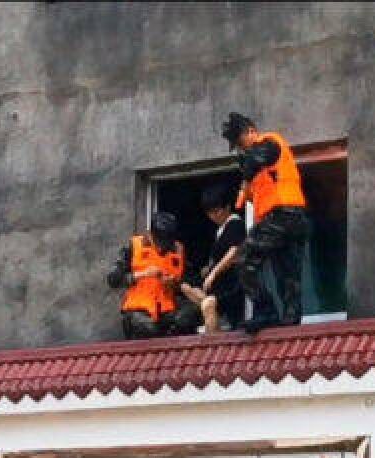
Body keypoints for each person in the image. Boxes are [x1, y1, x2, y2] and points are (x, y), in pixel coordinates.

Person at [220, 112, 312, 333]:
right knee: (287, 275)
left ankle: (265, 311)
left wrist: (245, 173)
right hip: (292, 219)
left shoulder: (269, 142)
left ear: (251, 131)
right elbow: (252, 192)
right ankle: (290, 324)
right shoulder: (261, 166)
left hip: (282, 216)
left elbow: (255, 160)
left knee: (243, 261)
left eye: (240, 143)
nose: (241, 149)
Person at [107, 211, 200, 339]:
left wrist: (174, 284)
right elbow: (113, 280)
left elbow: (192, 280)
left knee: (190, 315)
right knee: (148, 329)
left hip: (167, 310)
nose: (162, 249)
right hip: (138, 310)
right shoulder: (134, 246)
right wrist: (142, 274)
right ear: (150, 234)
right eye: (159, 243)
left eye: (166, 245)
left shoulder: (178, 250)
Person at [180, 184, 247, 333]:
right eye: (210, 213)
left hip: (232, 286)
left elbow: (234, 251)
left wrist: (213, 274)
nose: (214, 216)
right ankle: (216, 320)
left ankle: (215, 333)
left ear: (228, 207)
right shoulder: (220, 230)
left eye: (217, 211)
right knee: (187, 287)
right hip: (218, 286)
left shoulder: (235, 224)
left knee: (208, 304)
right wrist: (207, 270)